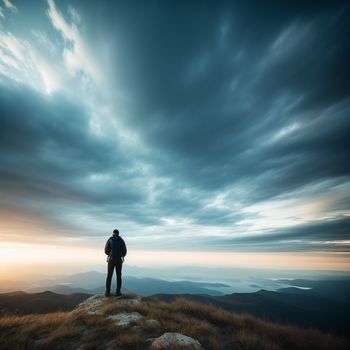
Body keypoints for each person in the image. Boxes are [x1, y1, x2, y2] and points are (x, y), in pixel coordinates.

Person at [104, 229, 127, 297]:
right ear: (118, 233)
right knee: (119, 276)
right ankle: (118, 292)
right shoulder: (121, 240)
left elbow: (105, 251)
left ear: (113, 233)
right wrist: (122, 255)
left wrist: (110, 253)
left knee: (109, 276)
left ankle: (108, 292)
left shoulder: (110, 239)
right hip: (119, 260)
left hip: (111, 260)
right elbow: (124, 251)